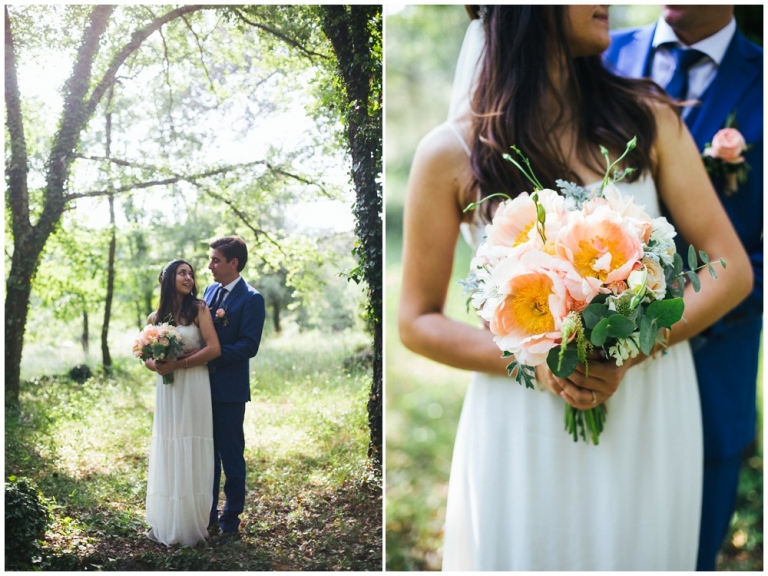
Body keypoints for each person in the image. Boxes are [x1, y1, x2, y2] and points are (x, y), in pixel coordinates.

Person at [397, 5, 752, 570]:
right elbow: (416, 321)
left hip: (648, 405)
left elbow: (730, 267)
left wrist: (633, 348)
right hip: (522, 419)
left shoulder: (647, 117)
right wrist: (539, 363)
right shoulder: (448, 154)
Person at [603, 7, 763, 569]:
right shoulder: (597, 54)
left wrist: (685, 301)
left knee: (687, 553)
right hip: (601, 361)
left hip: (717, 360)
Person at [144, 259, 221, 547]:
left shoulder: (200, 309)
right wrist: (159, 365)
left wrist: (181, 365)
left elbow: (214, 348)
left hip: (195, 385)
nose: (189, 278)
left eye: (191, 274)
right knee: (171, 443)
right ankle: (169, 519)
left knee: (192, 444)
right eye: (182, 273)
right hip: (169, 390)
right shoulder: (155, 318)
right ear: (168, 279)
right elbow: (145, 355)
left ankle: (192, 523)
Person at [203, 236, 266, 544]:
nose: (210, 265)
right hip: (199, 388)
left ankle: (231, 519)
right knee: (206, 454)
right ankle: (208, 514)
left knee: (231, 455)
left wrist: (211, 355)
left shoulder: (252, 299)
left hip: (229, 390)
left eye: (215, 260)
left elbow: (248, 346)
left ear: (233, 263)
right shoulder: (208, 291)